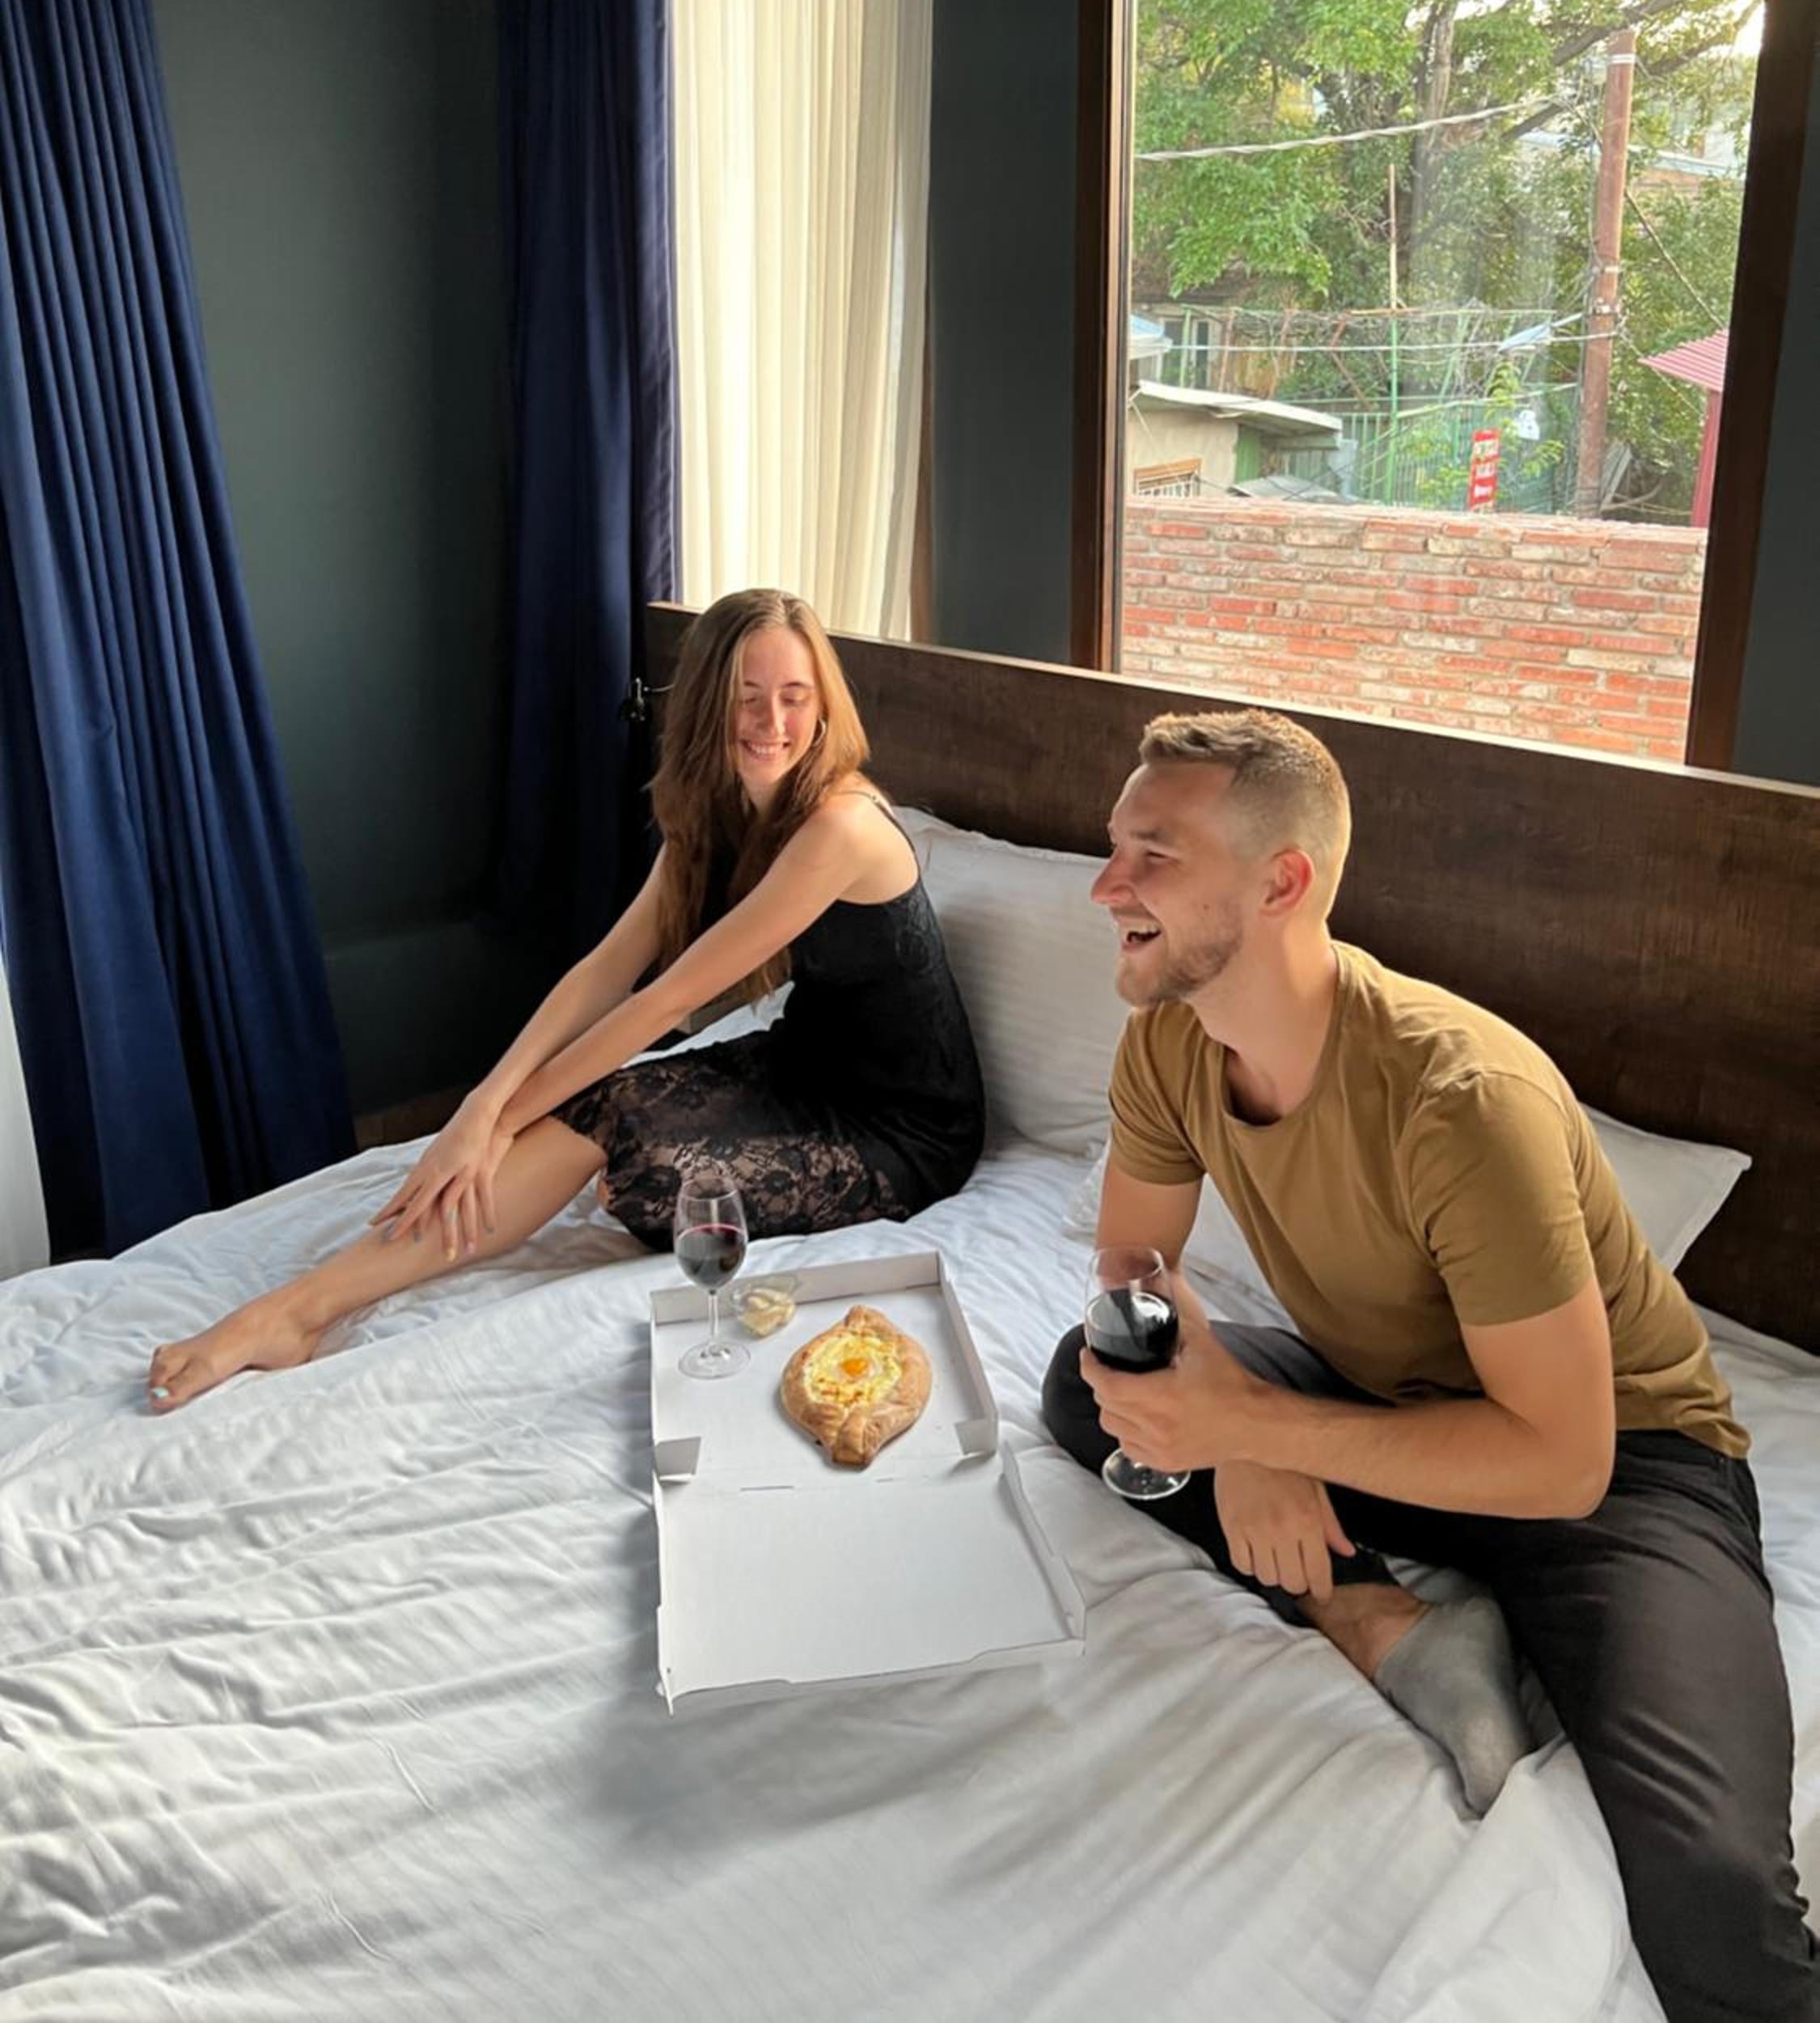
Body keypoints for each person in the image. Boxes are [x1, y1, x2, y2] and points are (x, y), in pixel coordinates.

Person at [1042, 706, 1815, 2023]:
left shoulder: (1461, 1102)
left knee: (1714, 1888)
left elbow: (1561, 1460)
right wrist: (1233, 1422)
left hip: (1618, 1466)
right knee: (1089, 1378)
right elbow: (1133, 1266)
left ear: (1281, 883)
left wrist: (1256, 1431)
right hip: (1386, 1403)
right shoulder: (1171, 1041)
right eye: (1117, 846)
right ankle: (1389, 1626)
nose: (1106, 885)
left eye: (1152, 855)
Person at [146, 589, 984, 1411]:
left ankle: (299, 1310)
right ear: (708, 705)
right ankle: (297, 1310)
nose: (772, 721)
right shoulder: (723, 807)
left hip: (900, 1127)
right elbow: (606, 972)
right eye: (747, 696)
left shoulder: (840, 827)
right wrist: (481, 1108)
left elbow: (661, 1005)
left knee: (632, 1172)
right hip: (802, 1063)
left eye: (794, 696)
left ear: (825, 706)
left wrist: (496, 1129)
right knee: (594, 1106)